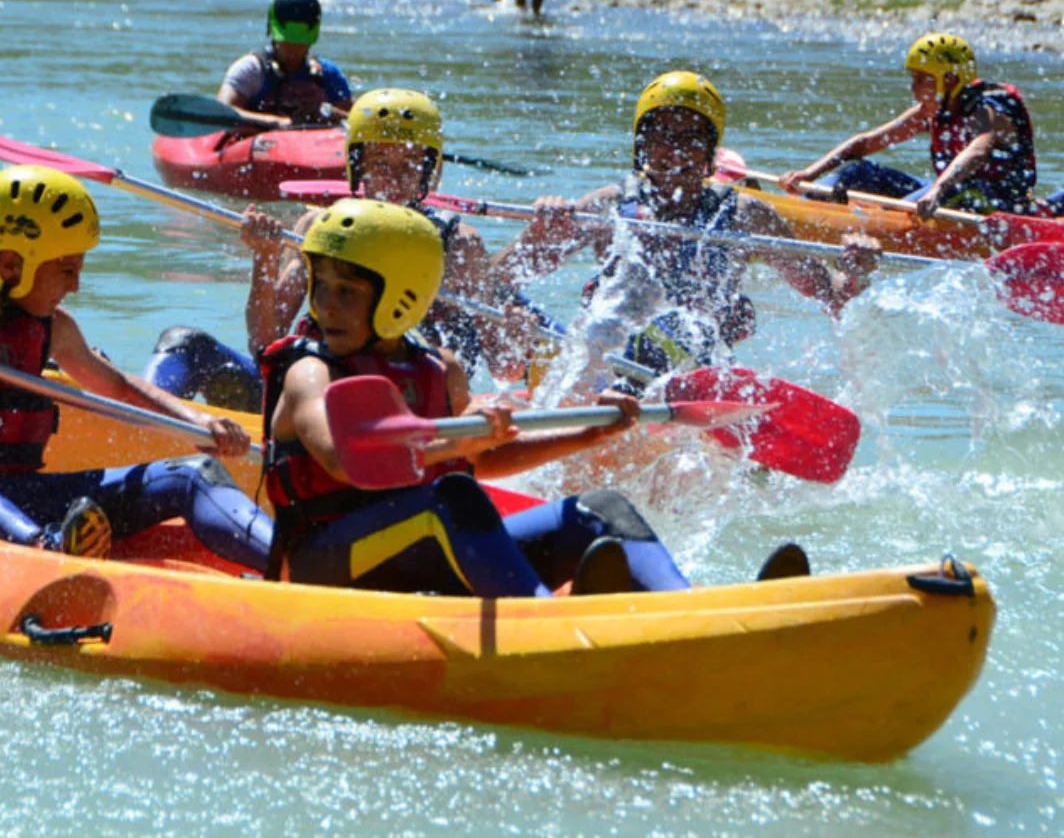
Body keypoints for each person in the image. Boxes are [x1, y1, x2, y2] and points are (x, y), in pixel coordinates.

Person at [262, 196, 696, 596]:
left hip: (423, 549)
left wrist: (585, 435)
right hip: (326, 566)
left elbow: (478, 460)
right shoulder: (309, 374)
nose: (326, 304)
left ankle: (689, 612)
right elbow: (344, 458)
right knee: (453, 496)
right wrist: (454, 444)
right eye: (320, 284)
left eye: (348, 290)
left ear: (403, 295)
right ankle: (543, 620)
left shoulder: (440, 369)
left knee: (599, 509)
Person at [143, 88, 537, 407]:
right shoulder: (317, 226)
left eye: (409, 164)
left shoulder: (458, 245)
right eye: (381, 161)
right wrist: (263, 260)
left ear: (429, 171)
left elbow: (504, 367)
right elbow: (264, 340)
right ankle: (145, 421)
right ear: (356, 165)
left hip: (409, 407)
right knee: (184, 344)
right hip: (312, 390)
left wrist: (515, 336)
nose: (394, 178)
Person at [491, 72, 881, 383]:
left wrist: (854, 272)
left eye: (691, 138)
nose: (675, 150)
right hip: (603, 367)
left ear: (710, 152)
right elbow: (495, 279)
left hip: (691, 375)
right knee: (572, 326)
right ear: (642, 146)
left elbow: (833, 299)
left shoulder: (746, 216)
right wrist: (537, 235)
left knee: (672, 331)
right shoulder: (608, 207)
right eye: (662, 136)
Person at [0, 165, 273, 570]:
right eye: (67, 270)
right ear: (11, 265)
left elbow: (119, 389)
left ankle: (291, 562)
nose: (76, 286)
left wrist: (197, 422)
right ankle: (49, 553)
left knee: (191, 474)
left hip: (32, 495)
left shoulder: (55, 328)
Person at [778, 33, 1039, 219]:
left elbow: (979, 149)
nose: (912, 87)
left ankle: (879, 223)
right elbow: (866, 143)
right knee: (859, 171)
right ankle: (807, 205)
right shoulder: (932, 111)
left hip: (991, 203)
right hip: (944, 193)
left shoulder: (987, 109)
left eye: (921, 79)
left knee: (959, 188)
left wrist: (936, 191)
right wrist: (808, 175)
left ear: (948, 80)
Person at [217, 0, 353, 129]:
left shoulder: (328, 74)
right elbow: (221, 112)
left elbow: (353, 122)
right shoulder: (251, 69)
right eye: (286, 42)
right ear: (272, 31)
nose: (293, 49)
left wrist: (330, 114)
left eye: (300, 43)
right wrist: (279, 123)